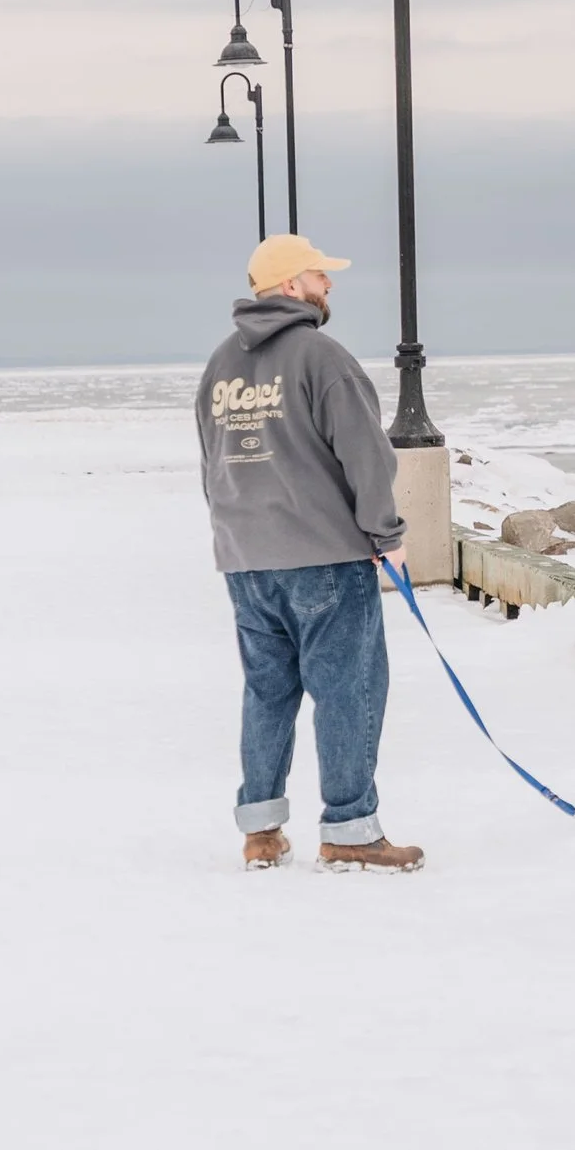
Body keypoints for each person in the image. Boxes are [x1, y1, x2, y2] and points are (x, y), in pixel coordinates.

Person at [196, 234, 424, 872]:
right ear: (292, 285)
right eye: (321, 275)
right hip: (323, 555)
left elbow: (212, 464)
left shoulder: (219, 364)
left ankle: (261, 831)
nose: (331, 285)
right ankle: (350, 831)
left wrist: (233, 538)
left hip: (246, 559)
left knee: (268, 691)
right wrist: (387, 537)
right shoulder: (322, 357)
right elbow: (367, 455)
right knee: (347, 690)